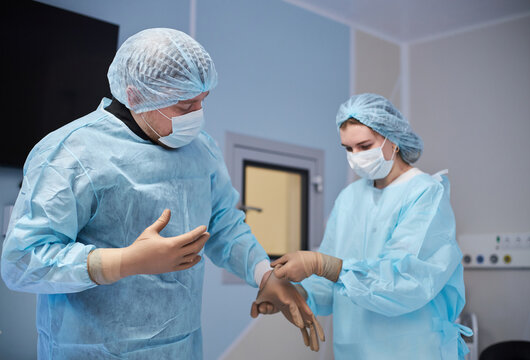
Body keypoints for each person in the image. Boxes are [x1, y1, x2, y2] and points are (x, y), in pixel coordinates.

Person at [1, 28, 323, 359]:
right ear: (135, 95)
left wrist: (263, 274)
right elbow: (22, 260)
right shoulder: (70, 153)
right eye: (185, 106)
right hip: (92, 350)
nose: (198, 115)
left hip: (181, 347)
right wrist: (122, 262)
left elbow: (225, 224)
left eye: (202, 101)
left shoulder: (202, 151)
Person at [263, 93, 473, 359]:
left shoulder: (425, 193)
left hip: (412, 349)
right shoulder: (349, 197)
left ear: (392, 139)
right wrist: (293, 294)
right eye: (348, 149)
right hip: (353, 348)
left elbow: (407, 281)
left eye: (364, 146)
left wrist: (326, 265)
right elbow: (328, 286)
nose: (355, 156)